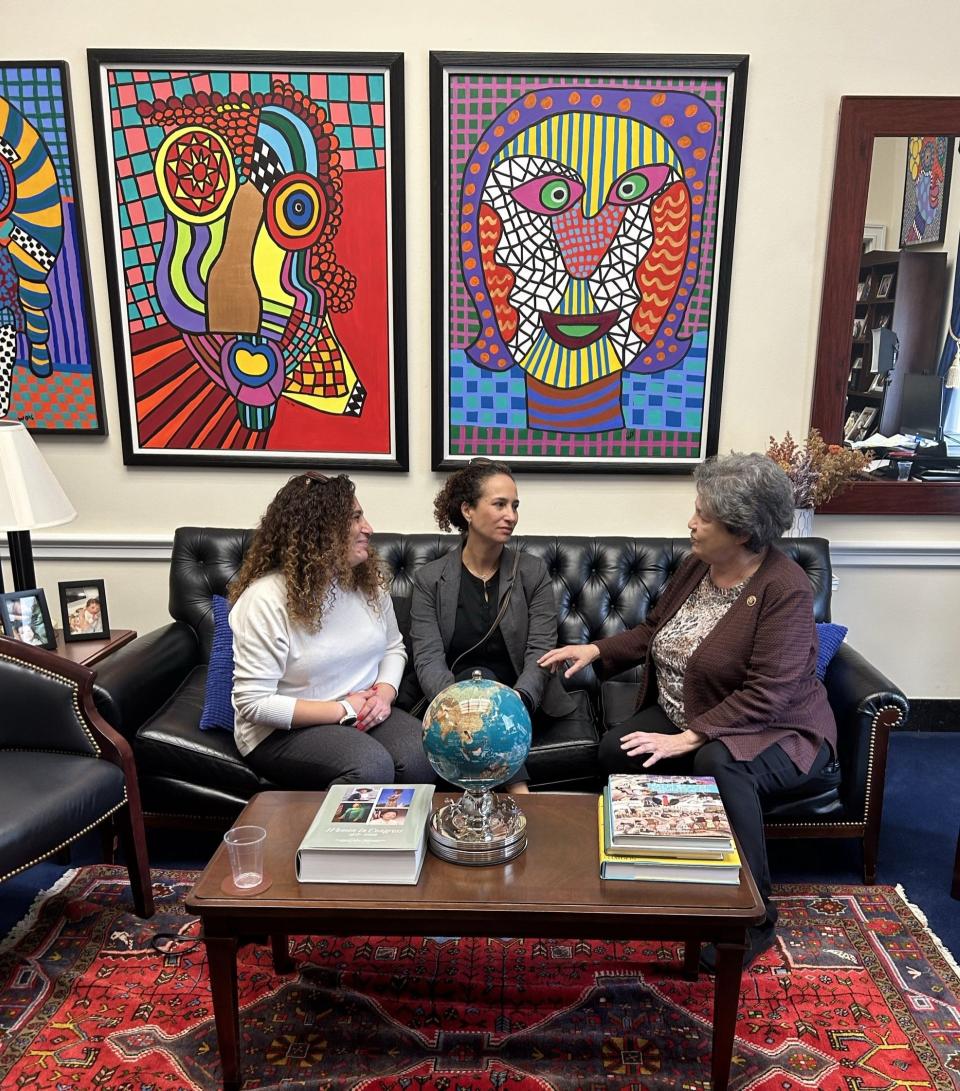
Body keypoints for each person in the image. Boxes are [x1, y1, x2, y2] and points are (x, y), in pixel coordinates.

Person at [539, 452, 837, 971]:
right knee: (616, 751)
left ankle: (755, 917)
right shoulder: (700, 564)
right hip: (693, 709)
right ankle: (661, 867)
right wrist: (596, 651)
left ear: (741, 530)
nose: (691, 523)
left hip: (780, 728)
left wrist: (689, 738)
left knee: (719, 764)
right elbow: (655, 629)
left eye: (703, 515)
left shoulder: (783, 588)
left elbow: (771, 693)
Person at [229, 472, 436, 790]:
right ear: (319, 531)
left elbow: (394, 647)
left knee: (424, 756)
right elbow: (254, 703)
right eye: (355, 518)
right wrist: (342, 709)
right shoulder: (265, 599)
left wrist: (384, 694)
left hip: (363, 709)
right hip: (281, 730)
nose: (368, 528)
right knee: (369, 767)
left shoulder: (366, 583)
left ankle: (402, 840)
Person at [410, 458, 584, 794]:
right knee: (477, 682)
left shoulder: (533, 573)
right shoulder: (430, 580)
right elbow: (428, 658)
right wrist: (458, 709)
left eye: (515, 506)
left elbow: (541, 651)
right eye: (499, 504)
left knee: (490, 691)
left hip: (521, 698)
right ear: (468, 511)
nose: (512, 516)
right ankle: (520, 797)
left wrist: (515, 703)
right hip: (456, 701)